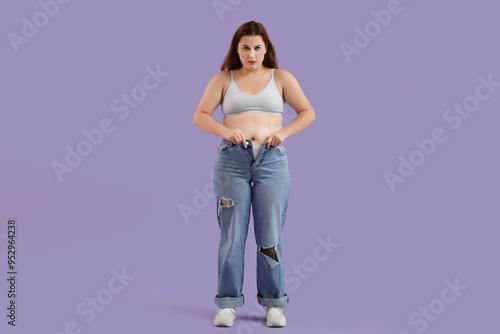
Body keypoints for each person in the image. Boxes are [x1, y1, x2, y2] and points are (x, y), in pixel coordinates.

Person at [193, 20, 316, 327]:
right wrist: (227, 131)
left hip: (272, 162)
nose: (251, 54)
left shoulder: (281, 77)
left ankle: (274, 303)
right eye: (245, 47)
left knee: (270, 234)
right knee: (232, 235)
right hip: (232, 162)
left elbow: (307, 112)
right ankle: (228, 303)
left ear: (266, 49)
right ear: (237, 49)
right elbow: (200, 115)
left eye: (257, 48)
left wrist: (284, 134)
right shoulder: (223, 78)